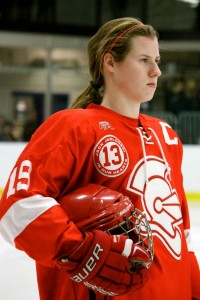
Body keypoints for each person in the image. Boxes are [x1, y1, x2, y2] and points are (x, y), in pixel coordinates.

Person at [0, 17, 199, 300]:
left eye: (156, 60)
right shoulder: (73, 126)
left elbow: (181, 229)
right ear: (110, 62)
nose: (156, 71)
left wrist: (194, 290)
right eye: (144, 60)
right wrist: (78, 249)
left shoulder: (166, 136)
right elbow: (18, 206)